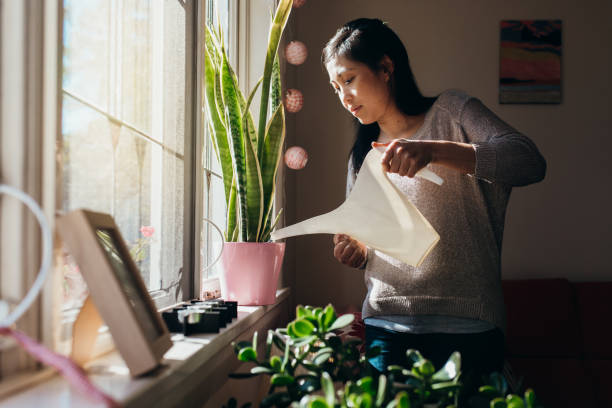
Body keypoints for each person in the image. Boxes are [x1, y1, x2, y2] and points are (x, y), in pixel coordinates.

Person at [322, 17, 546, 394]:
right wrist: (356, 249)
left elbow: (529, 161)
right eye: (334, 87)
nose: (344, 96)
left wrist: (433, 152)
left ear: (386, 67)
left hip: (469, 326)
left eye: (349, 79)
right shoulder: (361, 155)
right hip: (385, 329)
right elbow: (367, 240)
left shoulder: (453, 113)